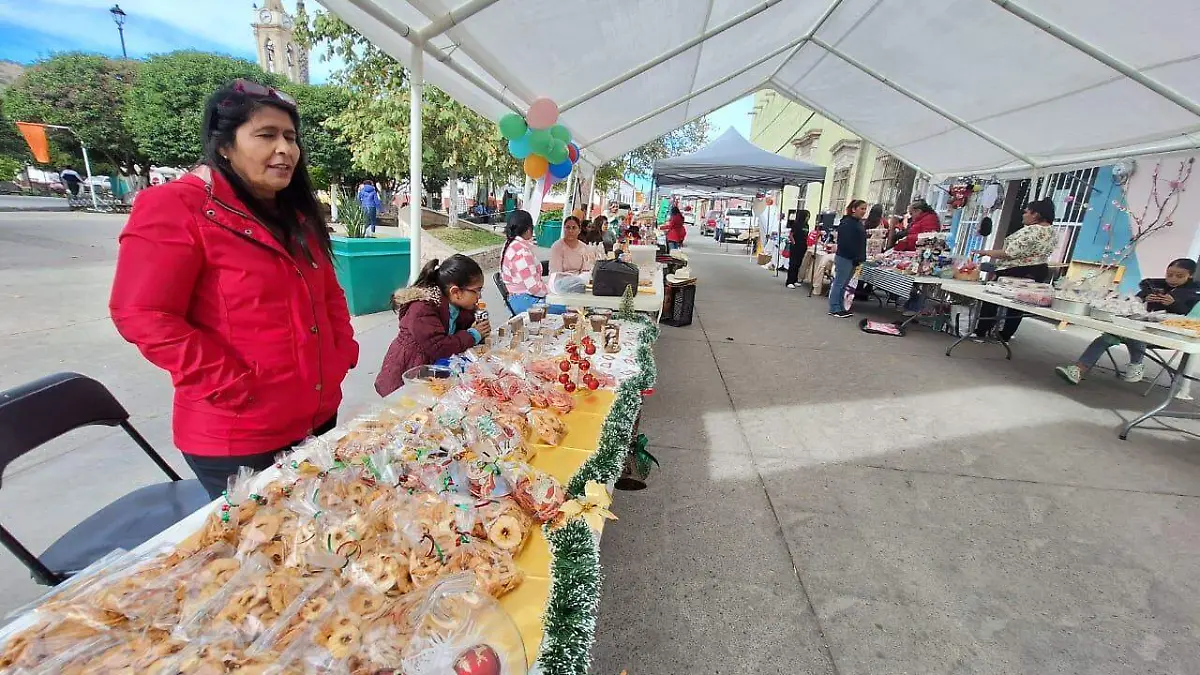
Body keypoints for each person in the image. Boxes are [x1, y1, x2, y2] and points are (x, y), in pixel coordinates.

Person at [110, 79, 358, 499]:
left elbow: (328, 293)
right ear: (224, 145)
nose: (285, 149)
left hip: (316, 415)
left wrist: (340, 353)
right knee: (263, 553)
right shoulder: (176, 207)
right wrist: (232, 384)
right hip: (239, 431)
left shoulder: (295, 216)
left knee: (318, 537)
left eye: (291, 137)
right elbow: (143, 315)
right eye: (266, 135)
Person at [1056, 259, 1200, 385]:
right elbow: (1133, 303)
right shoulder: (1153, 285)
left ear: (1190, 275)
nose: (1173, 279)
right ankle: (1079, 370)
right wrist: (1144, 299)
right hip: (1137, 325)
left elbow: (1189, 318)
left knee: (1130, 333)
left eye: (1179, 276)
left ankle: (1135, 364)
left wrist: (1174, 304)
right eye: (1169, 274)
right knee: (1109, 336)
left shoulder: (1193, 293)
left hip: (1165, 333)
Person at [374, 255, 489, 397]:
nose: (479, 296)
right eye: (477, 291)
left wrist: (476, 322)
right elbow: (440, 347)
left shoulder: (455, 305)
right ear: (455, 292)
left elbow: (460, 330)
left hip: (431, 374)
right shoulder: (422, 308)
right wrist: (474, 334)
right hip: (405, 377)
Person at [971, 198, 1058, 342]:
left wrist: (985, 252)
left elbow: (1009, 252)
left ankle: (982, 330)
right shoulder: (1052, 232)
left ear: (1035, 214)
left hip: (1016, 270)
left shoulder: (1031, 230)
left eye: (1026, 212)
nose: (1023, 215)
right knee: (1020, 303)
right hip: (1039, 269)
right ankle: (1006, 334)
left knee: (992, 298)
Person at [499, 209, 549, 314]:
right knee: (566, 307)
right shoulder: (521, 251)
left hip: (517, 299)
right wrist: (551, 291)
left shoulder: (511, 244)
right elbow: (534, 288)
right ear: (528, 229)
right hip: (524, 301)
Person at [829, 200, 868, 317]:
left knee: (844, 284)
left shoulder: (858, 223)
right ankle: (835, 307)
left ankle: (841, 306)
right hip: (845, 257)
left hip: (853, 258)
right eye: (862, 208)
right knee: (839, 283)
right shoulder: (847, 223)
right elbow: (846, 243)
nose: (864, 211)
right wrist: (855, 256)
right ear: (853, 209)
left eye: (865, 209)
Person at [785, 209, 811, 288]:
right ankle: (789, 281)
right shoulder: (796, 224)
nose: (808, 218)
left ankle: (795, 280)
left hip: (803, 246)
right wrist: (794, 242)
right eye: (807, 216)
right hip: (796, 246)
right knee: (793, 263)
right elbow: (791, 235)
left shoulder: (806, 225)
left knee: (798, 264)